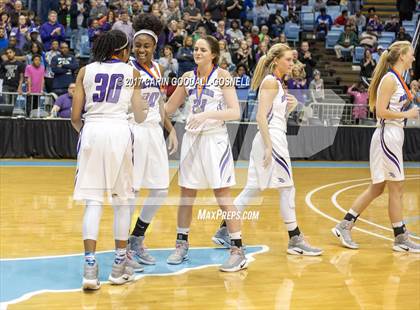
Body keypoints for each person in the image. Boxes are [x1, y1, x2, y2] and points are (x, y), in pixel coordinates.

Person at [212, 43, 323, 256]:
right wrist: (270, 146)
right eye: (288, 60)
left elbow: (273, 116)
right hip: (271, 139)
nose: (292, 63)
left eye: (293, 60)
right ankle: (295, 239)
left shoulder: (278, 83)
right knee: (287, 188)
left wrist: (289, 106)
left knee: (253, 188)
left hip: (270, 137)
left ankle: (224, 230)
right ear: (276, 61)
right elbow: (260, 116)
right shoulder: (271, 81)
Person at [71, 30, 149, 290]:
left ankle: (90, 270)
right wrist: (143, 107)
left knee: (93, 202)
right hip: (119, 131)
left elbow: (74, 117)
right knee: (122, 202)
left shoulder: (86, 70)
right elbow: (139, 117)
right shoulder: (132, 73)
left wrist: (90, 134)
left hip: (92, 129)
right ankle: (118, 268)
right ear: (123, 50)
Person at [165, 35, 247, 272]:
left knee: (223, 195)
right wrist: (142, 107)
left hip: (215, 140)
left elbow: (235, 112)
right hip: (192, 141)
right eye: (195, 49)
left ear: (213, 54)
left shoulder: (222, 76)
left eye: (202, 49)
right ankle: (181, 244)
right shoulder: (188, 77)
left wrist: (205, 116)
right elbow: (169, 107)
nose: (197, 52)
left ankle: (237, 250)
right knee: (186, 194)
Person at [332, 41, 420, 253]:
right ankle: (400, 237)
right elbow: (380, 111)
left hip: (394, 135)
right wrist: (407, 114)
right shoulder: (389, 79)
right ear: (402, 57)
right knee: (396, 187)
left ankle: (344, 225)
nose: (414, 58)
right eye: (412, 55)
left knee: (378, 187)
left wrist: (410, 101)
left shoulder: (399, 79)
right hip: (386, 135)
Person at [127, 13, 178, 266]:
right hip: (134, 130)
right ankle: (123, 250)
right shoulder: (128, 68)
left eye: (146, 46)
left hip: (154, 131)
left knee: (160, 188)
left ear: (155, 47)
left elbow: (160, 103)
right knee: (133, 190)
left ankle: (137, 237)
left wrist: (171, 129)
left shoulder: (158, 68)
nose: (141, 50)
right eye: (138, 45)